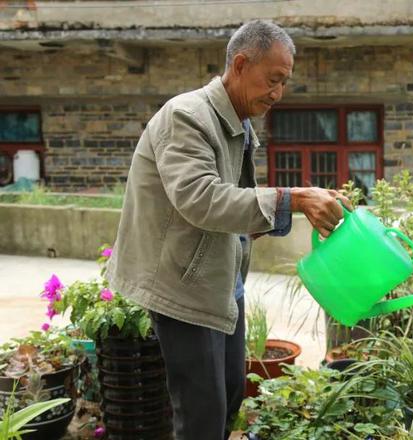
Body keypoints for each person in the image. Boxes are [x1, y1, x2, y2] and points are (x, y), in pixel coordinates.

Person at [105, 20, 352, 440]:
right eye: (273, 79)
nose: (278, 93)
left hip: (220, 283)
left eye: (284, 82)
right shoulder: (186, 116)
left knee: (229, 398)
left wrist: (301, 205)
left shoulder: (236, 122)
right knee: (201, 414)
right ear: (240, 64)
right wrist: (294, 199)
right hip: (181, 286)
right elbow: (200, 199)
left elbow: (230, 210)